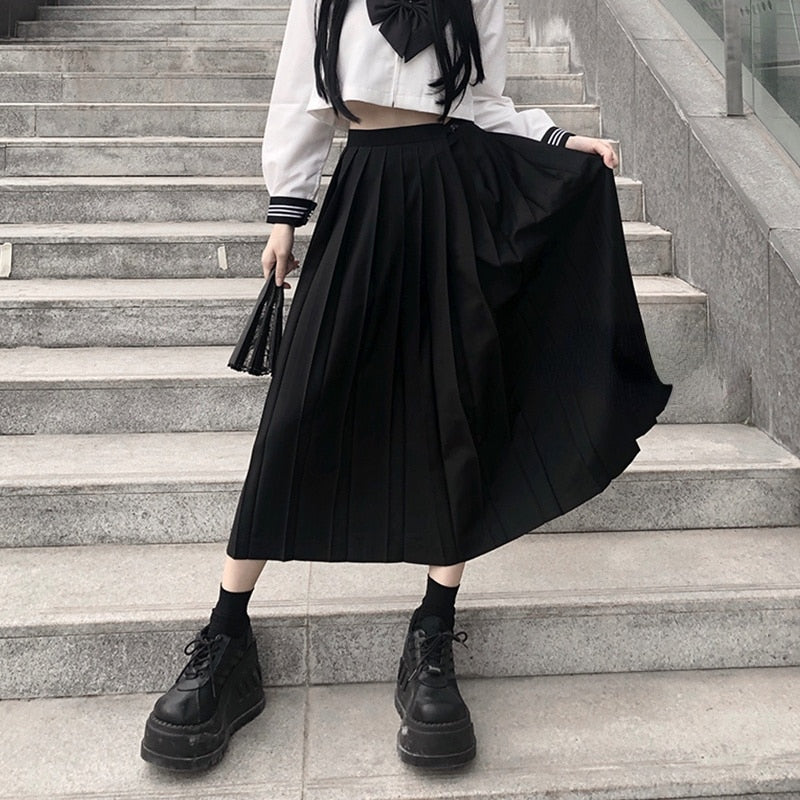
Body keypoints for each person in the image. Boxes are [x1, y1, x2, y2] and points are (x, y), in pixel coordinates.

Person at [140, 0, 672, 773]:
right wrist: (286, 211)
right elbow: (301, 90)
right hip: (364, 190)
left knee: (454, 405)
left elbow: (482, 101)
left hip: (457, 196)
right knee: (299, 407)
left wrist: (558, 140)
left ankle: (432, 631)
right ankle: (227, 636)